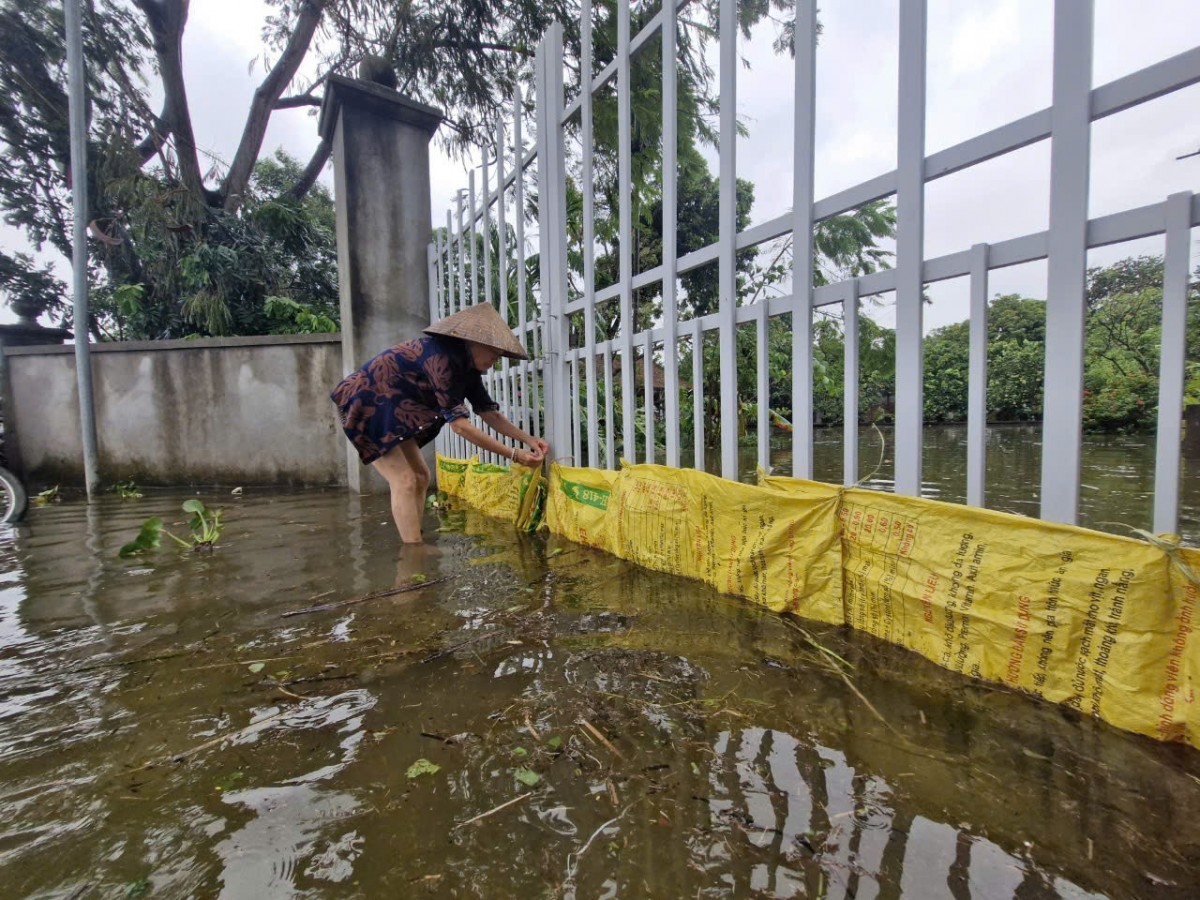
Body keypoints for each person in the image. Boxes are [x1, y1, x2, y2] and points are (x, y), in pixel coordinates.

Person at [331, 303, 550, 543]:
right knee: (404, 480)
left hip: (393, 408)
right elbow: (460, 426)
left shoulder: (468, 370)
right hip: (366, 403)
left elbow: (490, 414)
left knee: (421, 475)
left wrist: (528, 440)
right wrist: (514, 454)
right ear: (473, 342)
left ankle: (415, 537)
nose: (495, 360)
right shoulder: (440, 358)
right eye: (493, 352)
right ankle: (413, 554)